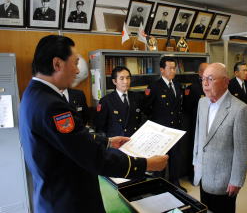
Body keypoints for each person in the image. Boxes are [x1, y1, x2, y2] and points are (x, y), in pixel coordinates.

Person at [19, 35, 168, 213]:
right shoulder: (53, 105)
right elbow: (93, 157)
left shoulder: (33, 94)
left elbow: (71, 141)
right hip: (70, 203)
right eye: (75, 63)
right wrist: (145, 165)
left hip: (54, 197)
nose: (76, 71)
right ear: (57, 64)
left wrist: (108, 142)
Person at [193, 63, 247, 213]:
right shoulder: (202, 103)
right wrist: (196, 161)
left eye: (211, 79)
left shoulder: (240, 110)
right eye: (203, 79)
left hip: (224, 180)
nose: (205, 84)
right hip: (204, 173)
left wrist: (236, 180)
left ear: (226, 82)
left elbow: (242, 150)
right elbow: (198, 135)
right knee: (205, 208)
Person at [143, 57, 186, 192]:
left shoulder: (178, 86)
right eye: (170, 68)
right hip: (161, 130)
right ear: (162, 70)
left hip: (176, 129)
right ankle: (158, 186)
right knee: (159, 160)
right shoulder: (154, 87)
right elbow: (146, 108)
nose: (174, 71)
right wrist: (156, 124)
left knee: (175, 158)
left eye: (175, 68)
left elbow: (180, 107)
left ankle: (175, 183)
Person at [95, 66, 144, 137]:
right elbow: (100, 126)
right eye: (122, 78)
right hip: (117, 141)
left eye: (128, 78)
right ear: (114, 81)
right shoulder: (106, 101)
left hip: (135, 139)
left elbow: (141, 119)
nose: (126, 81)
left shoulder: (137, 97)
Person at [184, 63, 208, 181]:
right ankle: (193, 175)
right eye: (206, 70)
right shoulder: (192, 88)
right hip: (196, 124)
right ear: (200, 73)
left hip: (209, 123)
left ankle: (204, 174)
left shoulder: (211, 84)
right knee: (195, 149)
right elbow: (188, 107)